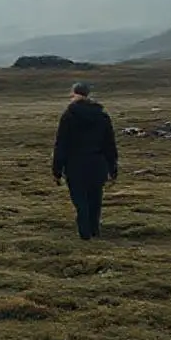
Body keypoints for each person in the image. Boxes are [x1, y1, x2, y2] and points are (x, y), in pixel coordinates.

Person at [51, 81, 119, 240]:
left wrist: (56, 170)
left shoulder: (69, 116)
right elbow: (110, 144)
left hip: (75, 165)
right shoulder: (102, 115)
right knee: (95, 198)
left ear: (75, 93)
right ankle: (94, 230)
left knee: (80, 199)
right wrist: (113, 169)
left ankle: (85, 233)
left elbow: (61, 144)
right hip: (98, 164)